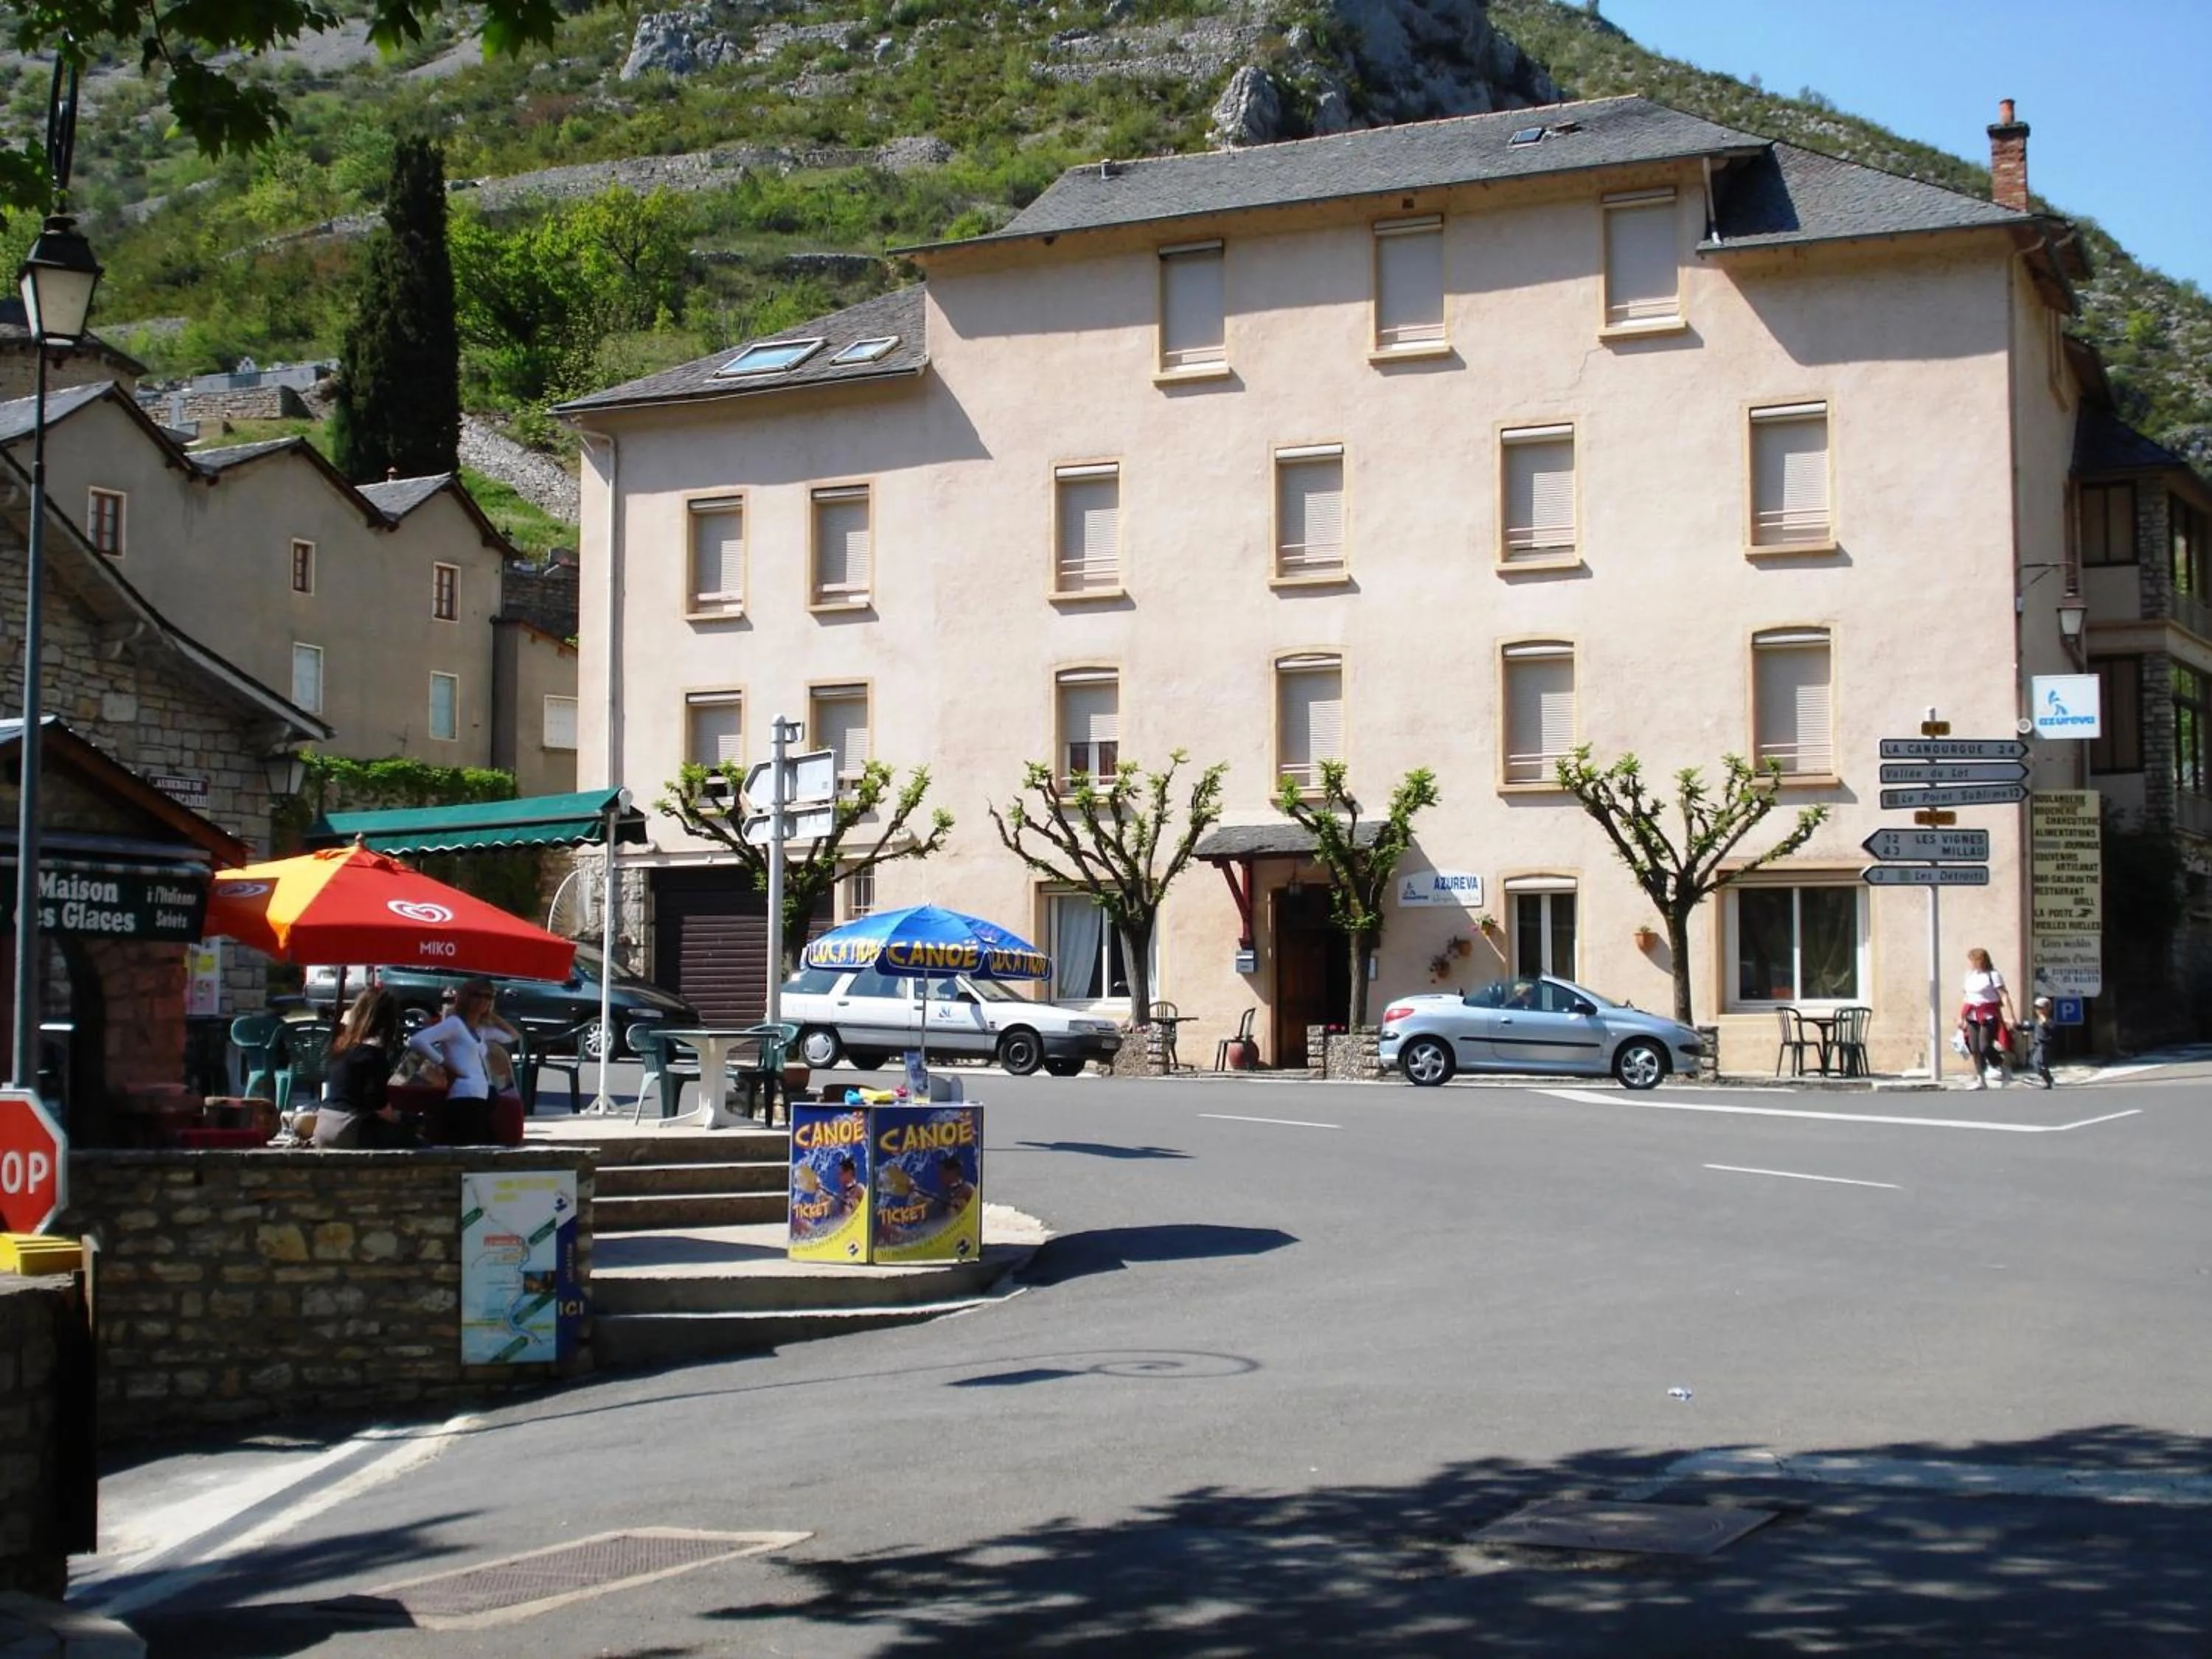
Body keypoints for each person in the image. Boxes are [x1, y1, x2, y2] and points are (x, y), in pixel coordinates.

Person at [407, 978, 519, 1144]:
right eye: (477, 995)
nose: (482, 1000)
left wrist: (491, 1015)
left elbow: (512, 1036)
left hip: (482, 1097)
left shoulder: (480, 1030)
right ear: (466, 997)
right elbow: (417, 1040)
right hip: (464, 1095)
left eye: (488, 997)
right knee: (472, 1147)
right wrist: (445, 1064)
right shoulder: (454, 1025)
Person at [313, 987, 414, 1149]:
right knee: (415, 1140)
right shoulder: (373, 1055)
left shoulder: (342, 1048)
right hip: (348, 1129)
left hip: (324, 1125)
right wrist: (403, 1118)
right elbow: (377, 1105)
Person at [1957, 947, 2014, 1090]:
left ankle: (2000, 1065)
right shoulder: (1969, 976)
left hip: (1988, 1014)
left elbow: (2003, 995)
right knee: (1974, 1048)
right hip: (1972, 1014)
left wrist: (2011, 1016)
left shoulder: (1993, 975)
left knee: (1985, 1046)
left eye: (1973, 960)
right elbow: (1967, 998)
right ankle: (1980, 1079)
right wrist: (1961, 1017)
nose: (1971, 963)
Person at [2023, 995, 2056, 1090]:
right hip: (2036, 1045)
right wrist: (2016, 1026)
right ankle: (2047, 1079)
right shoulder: (2036, 1022)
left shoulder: (2050, 1022)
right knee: (2033, 1062)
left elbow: (2052, 1031)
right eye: (2037, 1008)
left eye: (2041, 1008)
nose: (2038, 1010)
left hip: (2044, 1045)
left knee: (2040, 1064)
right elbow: (2028, 1027)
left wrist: (2045, 1025)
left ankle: (2047, 1079)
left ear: (2047, 1008)